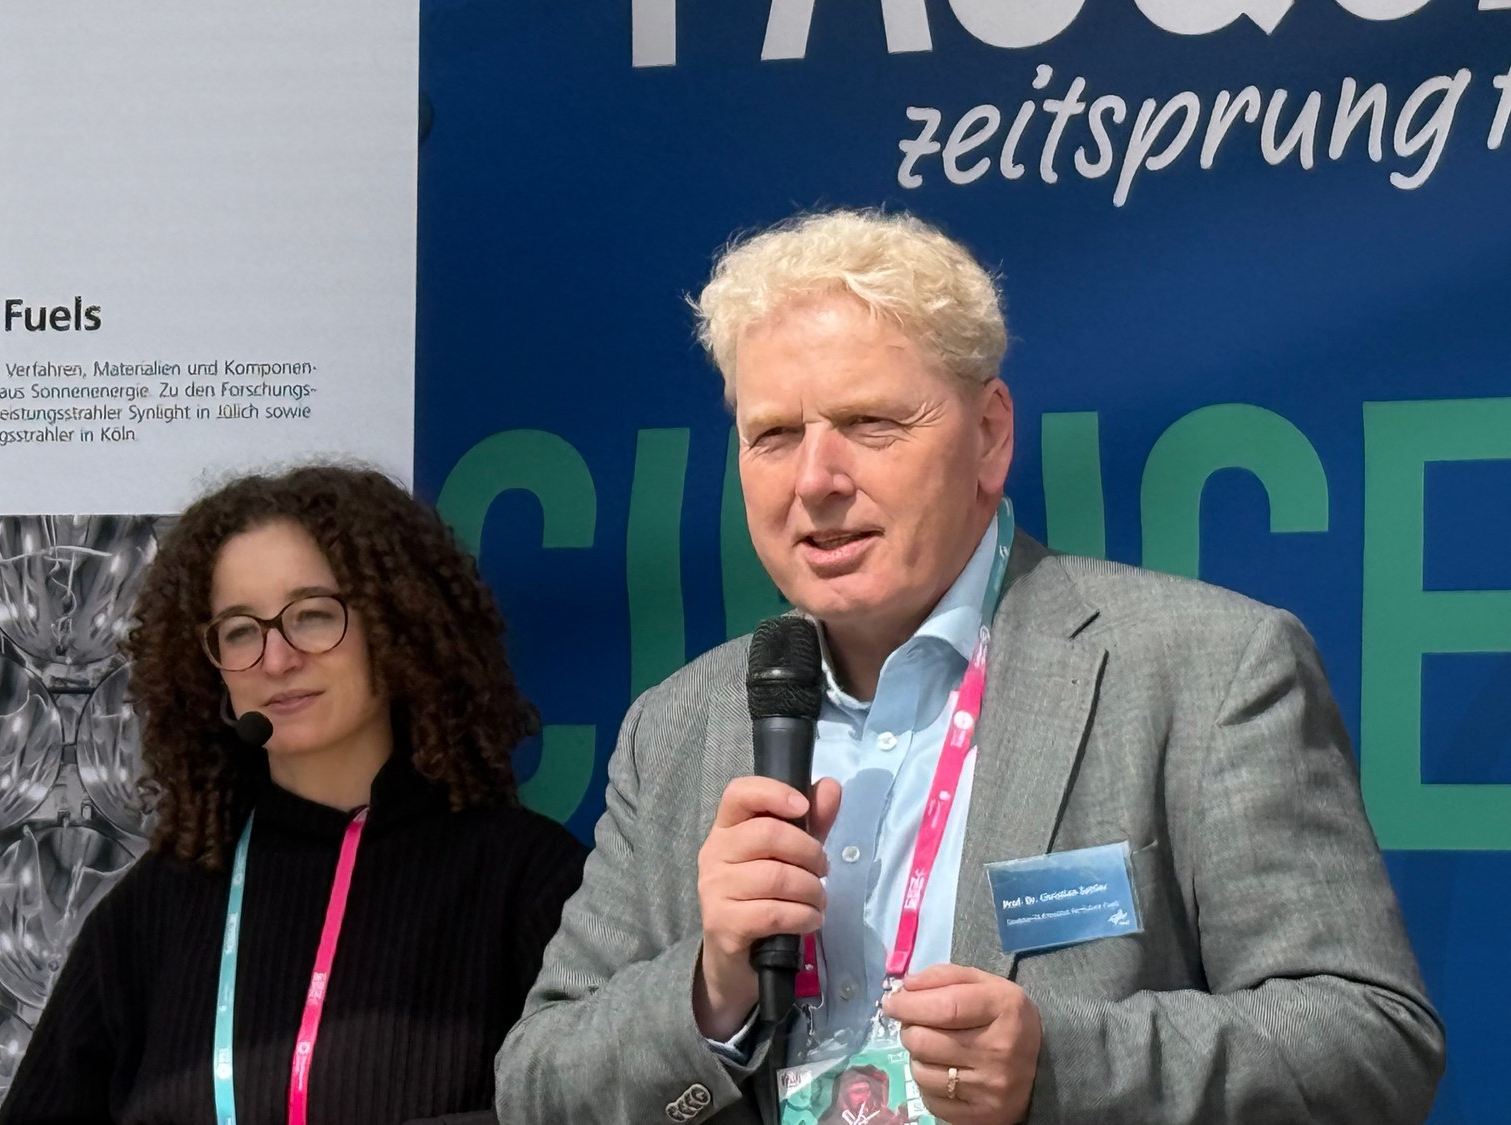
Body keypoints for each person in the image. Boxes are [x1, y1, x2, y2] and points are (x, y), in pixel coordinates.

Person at [494, 208, 1443, 1125]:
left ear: (989, 435)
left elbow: (1372, 1045)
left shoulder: (1207, 668)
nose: (815, 479)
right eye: (774, 435)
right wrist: (712, 991)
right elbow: (537, 1085)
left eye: (869, 423)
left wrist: (1058, 1069)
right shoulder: (679, 725)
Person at [0, 463, 587, 1125]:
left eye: (311, 615)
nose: (276, 660)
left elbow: (607, 1103)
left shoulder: (526, 880)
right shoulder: (153, 911)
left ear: (396, 627)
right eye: (241, 630)